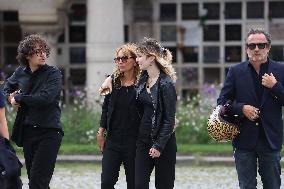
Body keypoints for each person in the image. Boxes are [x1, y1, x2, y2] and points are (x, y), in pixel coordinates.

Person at [217, 28, 284, 189]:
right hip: (243, 139)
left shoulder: (281, 70)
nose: (256, 49)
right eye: (252, 45)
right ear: (246, 49)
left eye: (261, 45)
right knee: (246, 186)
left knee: (273, 185)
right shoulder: (235, 71)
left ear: (268, 47)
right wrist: (241, 109)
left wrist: (275, 87)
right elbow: (222, 101)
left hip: (270, 140)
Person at [3, 34, 63, 189]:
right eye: (38, 51)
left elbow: (45, 98)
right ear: (28, 55)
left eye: (44, 50)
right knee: (35, 180)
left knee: (37, 182)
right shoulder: (20, 73)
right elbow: (5, 90)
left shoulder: (53, 73)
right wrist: (11, 99)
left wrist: (20, 98)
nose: (43, 54)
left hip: (49, 132)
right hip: (28, 132)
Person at [134, 37, 177, 189]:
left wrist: (158, 146)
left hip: (163, 143)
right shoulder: (141, 80)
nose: (137, 60)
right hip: (143, 141)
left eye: (139, 56)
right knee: (138, 185)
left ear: (151, 58)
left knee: (163, 186)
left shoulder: (166, 84)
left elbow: (169, 119)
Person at [97, 43, 140, 189]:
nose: (120, 61)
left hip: (134, 141)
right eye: (117, 59)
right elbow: (106, 108)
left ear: (134, 61)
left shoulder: (143, 84)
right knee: (106, 182)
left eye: (124, 58)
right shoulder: (113, 83)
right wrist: (101, 131)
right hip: (113, 140)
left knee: (133, 184)